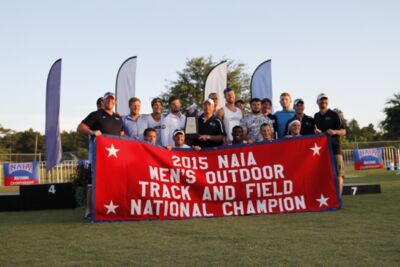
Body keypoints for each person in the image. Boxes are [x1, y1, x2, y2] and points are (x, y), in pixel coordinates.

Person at [77, 92, 124, 218]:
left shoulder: (119, 118)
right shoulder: (95, 115)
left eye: (112, 99)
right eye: (107, 99)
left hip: (114, 158)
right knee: (92, 183)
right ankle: (88, 210)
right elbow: (80, 128)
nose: (110, 101)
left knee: (113, 183)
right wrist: (92, 131)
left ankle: (111, 208)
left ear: (115, 102)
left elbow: (122, 134)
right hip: (97, 156)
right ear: (102, 102)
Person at [314, 93, 346, 194]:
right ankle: (329, 197)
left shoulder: (334, 114)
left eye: (325, 100)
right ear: (317, 102)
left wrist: (335, 132)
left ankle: (338, 198)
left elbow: (344, 131)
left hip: (335, 148)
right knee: (325, 174)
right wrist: (316, 132)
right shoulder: (316, 116)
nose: (323, 101)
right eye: (321, 100)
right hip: (322, 150)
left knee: (338, 174)